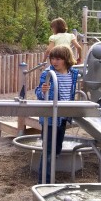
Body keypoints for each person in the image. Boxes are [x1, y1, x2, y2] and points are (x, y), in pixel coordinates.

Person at [35, 45, 79, 183]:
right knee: (48, 150)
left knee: (57, 149)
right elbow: (38, 93)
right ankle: (44, 182)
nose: (54, 61)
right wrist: (43, 91)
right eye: (52, 58)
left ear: (66, 59)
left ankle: (49, 177)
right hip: (50, 117)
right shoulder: (48, 73)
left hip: (63, 116)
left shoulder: (73, 73)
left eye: (58, 59)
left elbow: (70, 93)